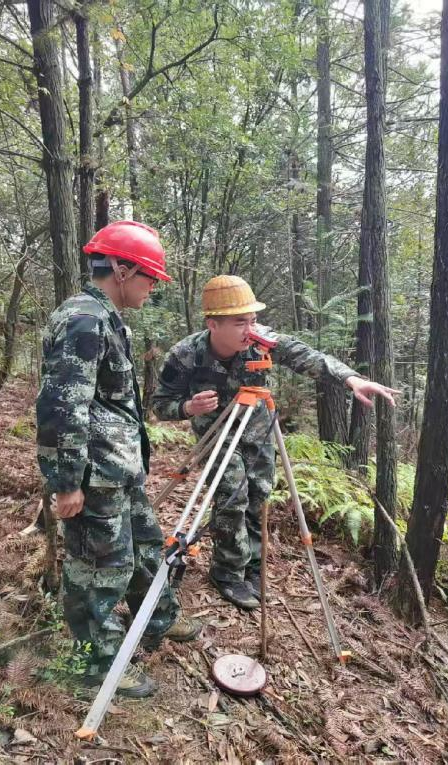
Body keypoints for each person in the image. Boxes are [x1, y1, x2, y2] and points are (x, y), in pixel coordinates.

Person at [153, 274, 398, 610]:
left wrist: (351, 379)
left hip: (257, 430)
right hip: (217, 433)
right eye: (240, 322)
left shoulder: (261, 341)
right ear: (213, 324)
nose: (250, 329)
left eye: (253, 320)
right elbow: (160, 405)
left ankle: (253, 567)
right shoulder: (185, 355)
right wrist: (188, 408)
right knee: (232, 496)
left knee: (259, 495)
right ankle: (228, 573)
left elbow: (307, 357)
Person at [36, 221, 200, 699]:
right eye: (150, 278)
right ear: (123, 270)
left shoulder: (106, 318)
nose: (152, 288)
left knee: (146, 548)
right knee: (98, 569)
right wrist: (67, 481)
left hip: (118, 469)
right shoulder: (83, 321)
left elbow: (109, 404)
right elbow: (61, 406)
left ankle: (158, 617)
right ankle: (97, 663)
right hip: (94, 474)